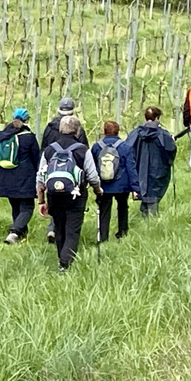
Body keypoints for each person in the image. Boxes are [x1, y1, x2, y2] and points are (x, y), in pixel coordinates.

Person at [36, 116, 101, 271]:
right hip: (76, 196)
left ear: (60, 130)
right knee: (72, 230)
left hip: (54, 196)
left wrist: (41, 201)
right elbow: (92, 175)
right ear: (77, 131)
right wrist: (98, 189)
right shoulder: (82, 150)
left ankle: (62, 259)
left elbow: (40, 177)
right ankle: (65, 264)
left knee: (59, 227)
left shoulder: (49, 150)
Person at [0, 108, 41, 244]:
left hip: (6, 178)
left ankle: (21, 235)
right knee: (27, 208)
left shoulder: (4, 135)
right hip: (25, 178)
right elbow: (37, 160)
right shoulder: (29, 137)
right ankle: (14, 232)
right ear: (27, 121)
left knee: (16, 207)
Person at [40, 97, 89, 243]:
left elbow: (43, 149)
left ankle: (53, 228)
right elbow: (85, 151)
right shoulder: (77, 128)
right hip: (72, 175)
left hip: (52, 172)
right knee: (70, 204)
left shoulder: (49, 128)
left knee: (55, 198)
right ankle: (65, 236)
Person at [91, 121, 141, 242]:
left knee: (104, 210)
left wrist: (91, 183)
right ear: (118, 131)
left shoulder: (97, 147)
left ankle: (103, 237)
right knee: (123, 207)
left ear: (104, 131)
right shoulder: (126, 147)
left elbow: (92, 167)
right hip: (122, 185)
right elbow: (131, 169)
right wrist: (136, 188)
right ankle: (122, 233)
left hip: (103, 185)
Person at [126, 106, 177, 217]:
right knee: (154, 192)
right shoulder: (163, 134)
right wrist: (171, 141)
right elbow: (170, 150)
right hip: (157, 169)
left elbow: (127, 149)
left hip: (140, 169)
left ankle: (145, 214)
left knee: (144, 188)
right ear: (157, 118)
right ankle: (152, 219)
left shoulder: (135, 133)